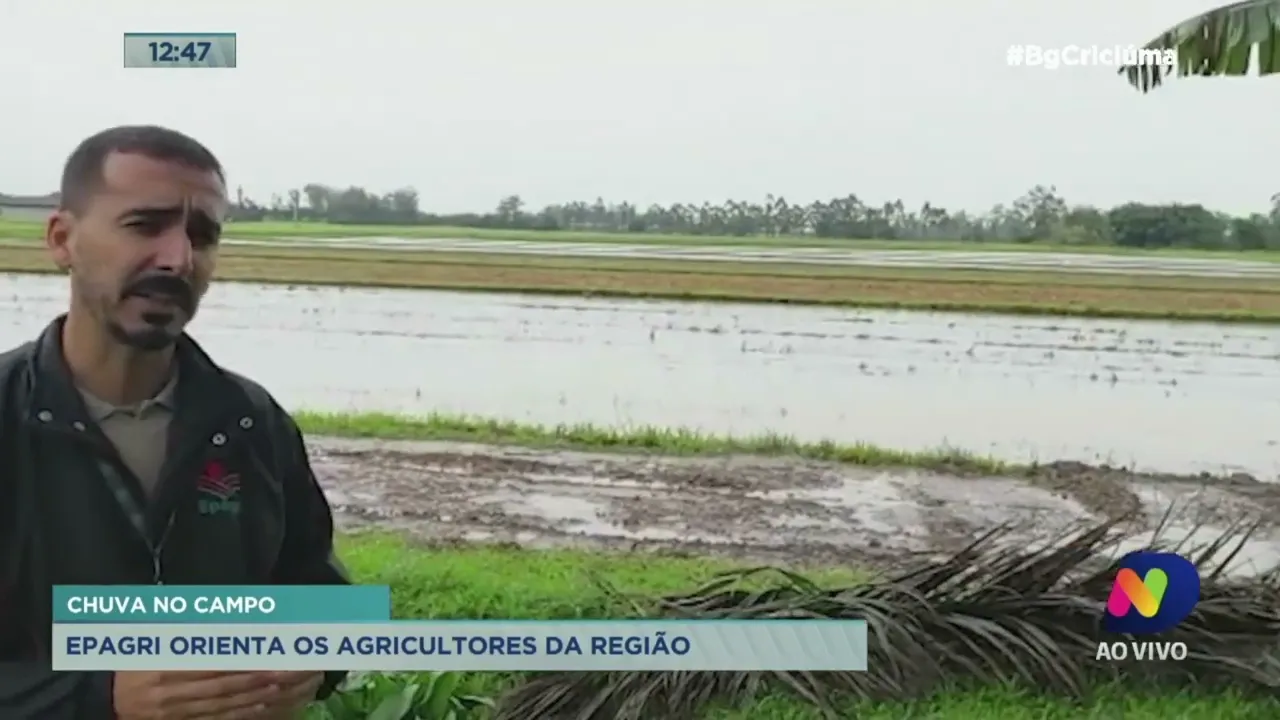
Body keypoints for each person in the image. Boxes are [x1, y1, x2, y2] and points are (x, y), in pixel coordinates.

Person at [0, 126, 349, 718]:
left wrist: (314, 656)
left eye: (202, 236)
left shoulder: (251, 421)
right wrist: (102, 697)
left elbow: (323, 600)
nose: (178, 258)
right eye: (144, 225)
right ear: (62, 239)